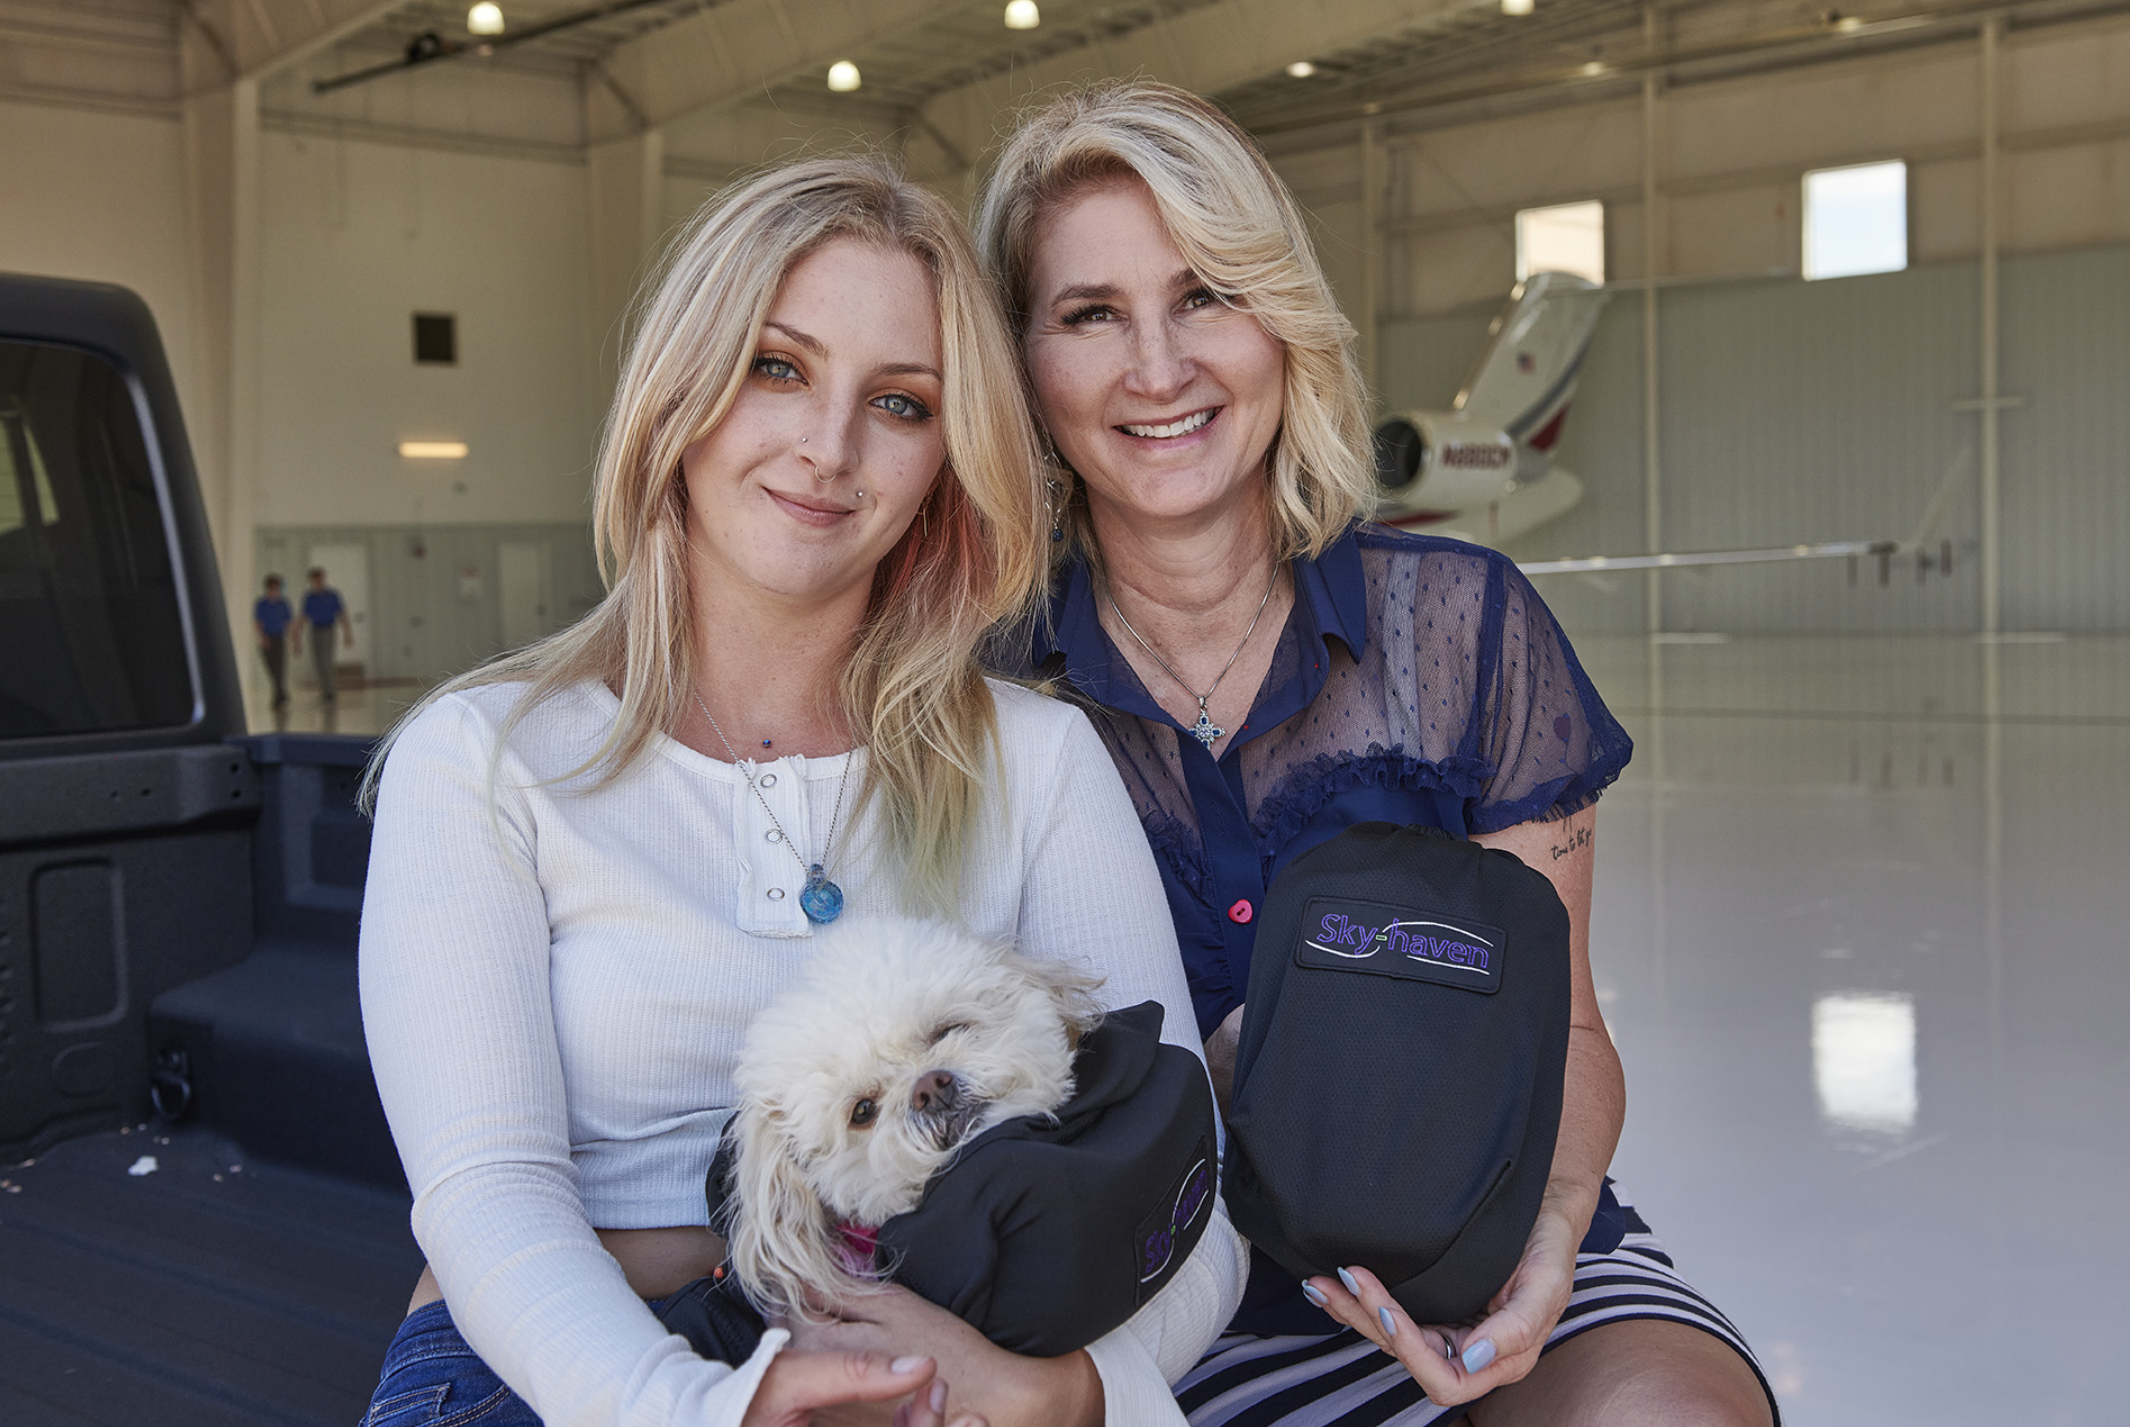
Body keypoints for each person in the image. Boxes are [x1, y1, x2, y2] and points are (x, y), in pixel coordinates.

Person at [356, 156, 1244, 1427]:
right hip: (560, 1379)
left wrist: (1064, 1392)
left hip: (956, 1373)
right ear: (682, 388)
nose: (829, 448)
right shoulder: (484, 757)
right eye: (777, 367)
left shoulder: (1038, 759)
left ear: (947, 455)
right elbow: (486, 1189)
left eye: (900, 402)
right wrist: (694, 1406)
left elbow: (1182, 1176)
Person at [976, 82, 1779, 1426]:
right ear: (1021, 362)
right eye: (1090, 313)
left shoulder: (1465, 626)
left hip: (1482, 1232)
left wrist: (1548, 1237)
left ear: (1281, 318)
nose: (1157, 367)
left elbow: (1569, 1027)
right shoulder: (982, 682)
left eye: (1206, 294)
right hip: (1155, 1291)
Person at [293, 566, 350, 702]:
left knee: (326, 661)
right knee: (318, 662)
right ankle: (325, 691)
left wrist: (347, 633)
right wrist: (297, 635)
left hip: (328, 630)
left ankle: (330, 691)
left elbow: (341, 614)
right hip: (315, 630)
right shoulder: (310, 597)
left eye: (320, 580)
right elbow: (303, 616)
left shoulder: (332, 596)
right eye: (315, 580)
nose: (318, 583)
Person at [254, 573, 292, 709]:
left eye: (277, 589)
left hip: (279, 638)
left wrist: (293, 639)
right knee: (271, 668)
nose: (275, 592)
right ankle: (282, 693)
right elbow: (258, 623)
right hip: (267, 637)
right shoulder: (261, 604)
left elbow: (288, 622)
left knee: (279, 668)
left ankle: (277, 698)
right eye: (273, 589)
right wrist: (262, 637)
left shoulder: (283, 604)